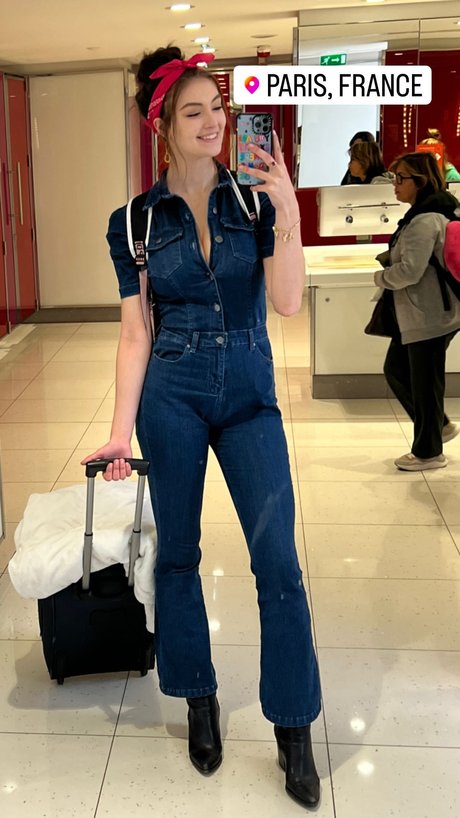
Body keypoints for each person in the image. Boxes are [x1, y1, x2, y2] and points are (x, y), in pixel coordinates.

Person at [82, 46, 321, 807]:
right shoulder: (134, 222)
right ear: (163, 127)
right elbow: (135, 333)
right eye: (195, 112)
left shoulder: (252, 201)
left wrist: (288, 212)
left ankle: (293, 727)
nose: (215, 122)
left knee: (278, 562)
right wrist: (120, 432)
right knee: (179, 556)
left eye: (218, 108)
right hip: (172, 396)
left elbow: (287, 303)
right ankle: (199, 699)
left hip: (250, 392)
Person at [373, 151, 460, 471]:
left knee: (424, 383)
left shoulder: (425, 219)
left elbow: (410, 271)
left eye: (401, 178)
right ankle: (438, 426)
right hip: (428, 311)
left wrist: (381, 276)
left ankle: (428, 452)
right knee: (398, 370)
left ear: (420, 182)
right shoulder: (435, 210)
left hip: (429, 313)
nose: (395, 184)